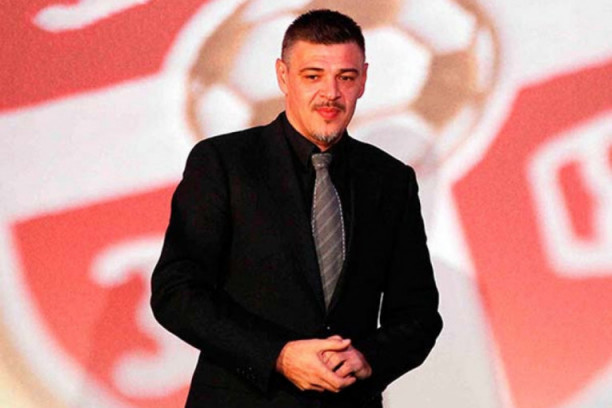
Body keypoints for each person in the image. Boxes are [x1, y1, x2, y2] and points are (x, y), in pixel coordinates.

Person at [151, 9, 442, 408]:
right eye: (313, 76)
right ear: (283, 76)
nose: (330, 94)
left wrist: (367, 358)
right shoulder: (224, 163)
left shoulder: (390, 181)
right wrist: (279, 355)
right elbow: (177, 292)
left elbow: (418, 314)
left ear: (363, 80)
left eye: (345, 77)